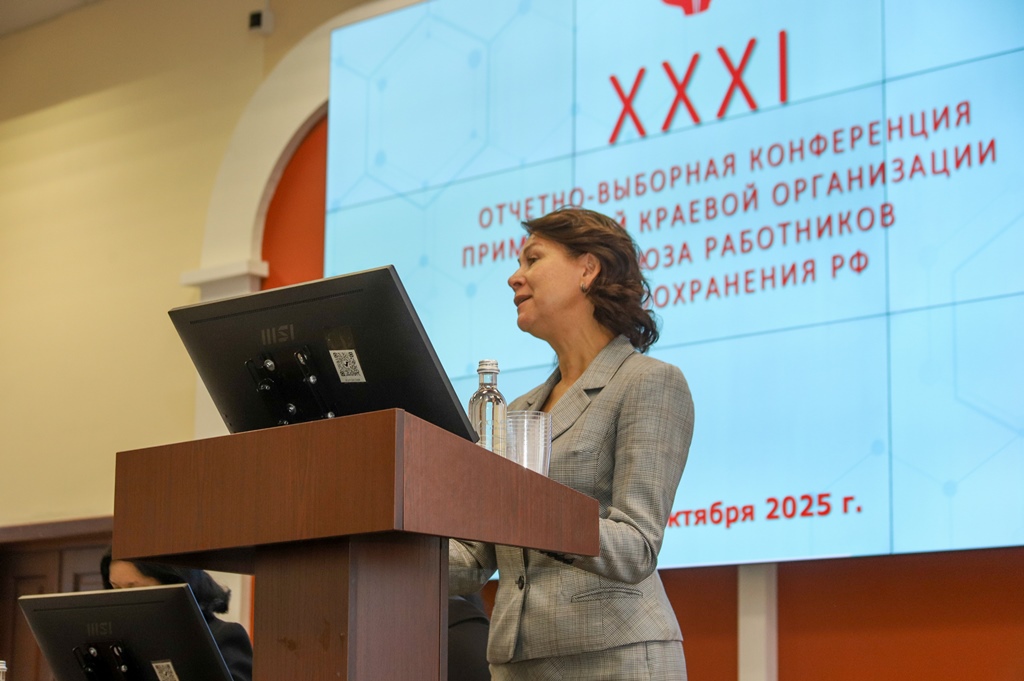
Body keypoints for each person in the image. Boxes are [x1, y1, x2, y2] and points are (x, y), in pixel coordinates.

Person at [449, 207, 695, 680]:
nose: (514, 277)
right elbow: (477, 556)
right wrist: (385, 549)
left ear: (588, 268)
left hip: (616, 657)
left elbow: (637, 546)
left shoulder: (648, 382)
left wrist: (532, 509)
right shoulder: (515, 410)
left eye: (533, 259)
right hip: (516, 661)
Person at [100, 548, 253, 681]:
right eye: (116, 588)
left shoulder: (223, 636)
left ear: (171, 583)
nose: (122, 599)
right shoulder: (121, 643)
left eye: (134, 589)